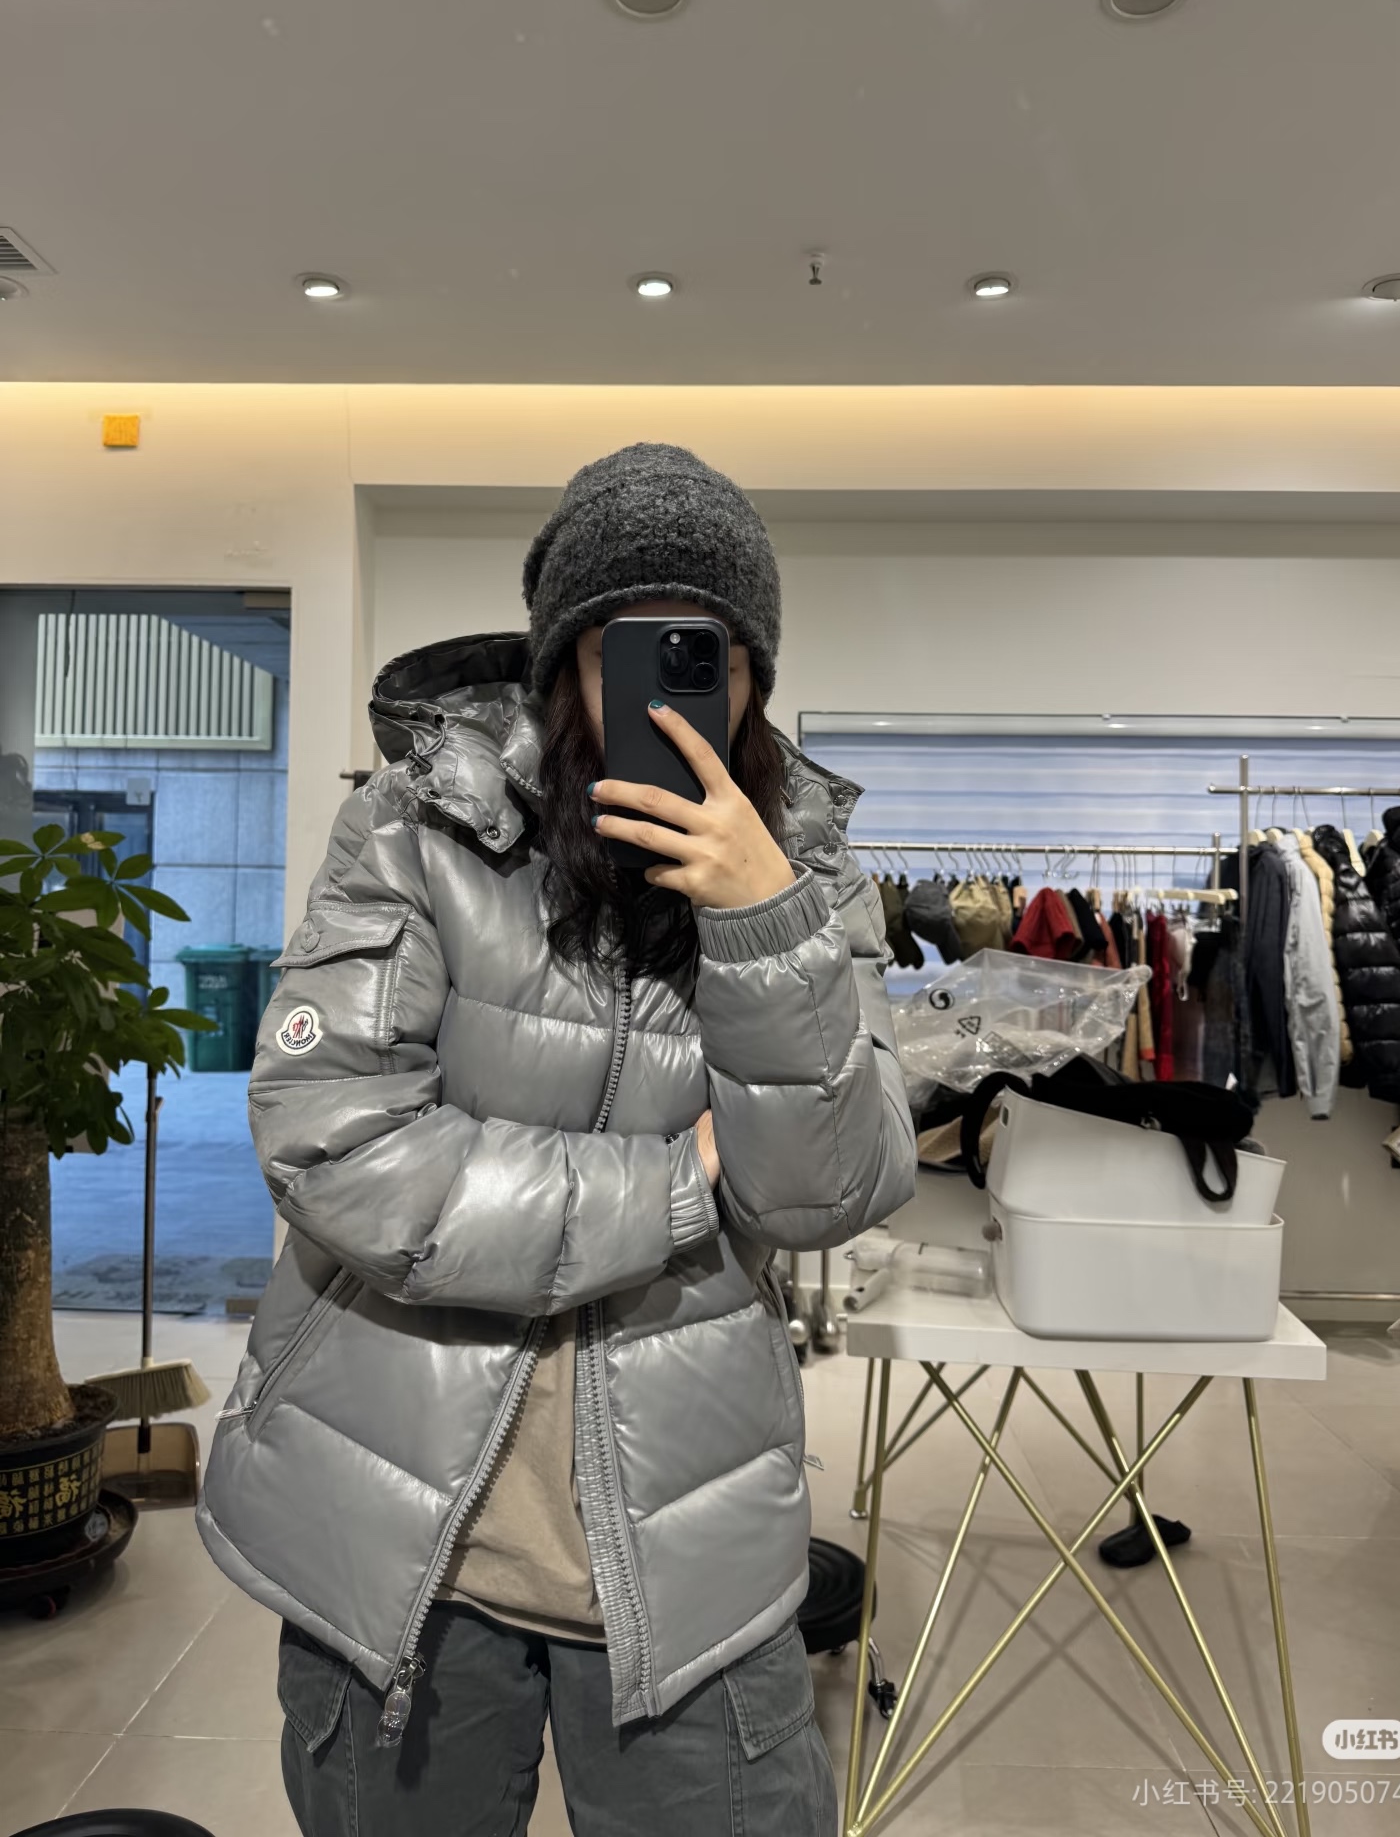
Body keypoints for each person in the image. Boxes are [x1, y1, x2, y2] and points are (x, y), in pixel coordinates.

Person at [198, 442, 916, 1835]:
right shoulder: (413, 829)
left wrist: (763, 924)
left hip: (688, 1557)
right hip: (405, 1545)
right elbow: (333, 1143)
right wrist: (673, 1189)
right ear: (561, 663)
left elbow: (823, 1195)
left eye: (712, 656)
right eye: (626, 649)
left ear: (756, 676)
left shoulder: (810, 874)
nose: (669, 693)